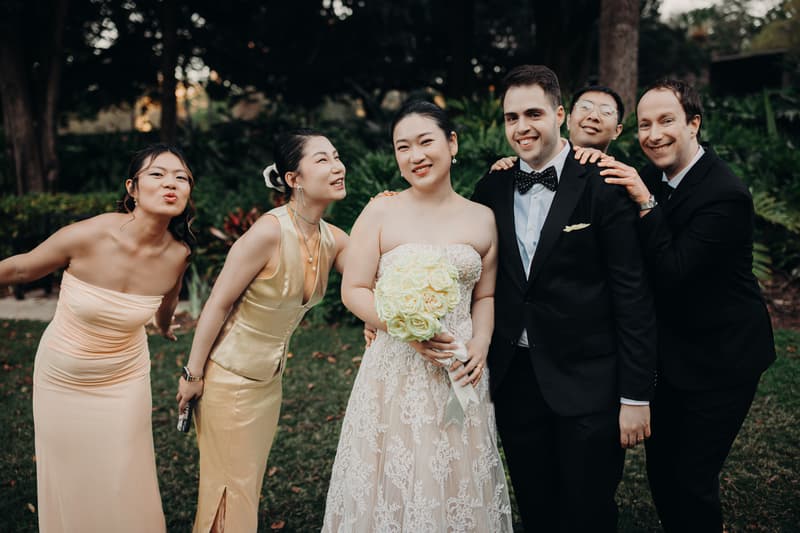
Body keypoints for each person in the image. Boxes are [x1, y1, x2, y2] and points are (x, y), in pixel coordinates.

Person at [471, 64, 657, 532]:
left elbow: (631, 295)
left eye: (533, 113)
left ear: (559, 114)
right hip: (515, 380)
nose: (522, 127)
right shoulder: (491, 187)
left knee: (589, 510)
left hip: (589, 380)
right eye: (512, 117)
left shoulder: (605, 183)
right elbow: (467, 268)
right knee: (536, 507)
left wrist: (635, 394)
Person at [322, 100, 512, 532]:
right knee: (393, 477)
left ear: (452, 143)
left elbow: (484, 296)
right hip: (395, 369)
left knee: (455, 479)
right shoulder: (381, 211)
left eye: (425, 142)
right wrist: (405, 329)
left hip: (459, 368)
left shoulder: (483, 218)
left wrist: (480, 344)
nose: (415, 156)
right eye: (402, 147)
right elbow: (353, 289)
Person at [596, 79, 776, 532]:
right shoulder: (654, 172)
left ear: (694, 124)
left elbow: (674, 270)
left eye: (666, 121)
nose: (653, 134)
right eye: (644, 124)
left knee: (691, 478)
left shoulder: (725, 195)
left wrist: (644, 200)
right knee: (662, 473)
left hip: (723, 359)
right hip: (672, 357)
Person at [0, 144, 195, 532]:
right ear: (132, 189)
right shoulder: (89, 234)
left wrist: (164, 326)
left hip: (125, 378)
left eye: (181, 177)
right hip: (62, 378)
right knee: (72, 476)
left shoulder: (178, 254)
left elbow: (167, 298)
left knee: (123, 472)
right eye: (157, 174)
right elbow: (21, 269)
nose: (171, 183)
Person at [175, 129, 349, 533]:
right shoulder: (268, 232)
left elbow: (376, 274)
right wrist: (192, 374)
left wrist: (393, 207)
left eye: (336, 156)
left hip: (268, 383)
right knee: (228, 487)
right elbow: (218, 303)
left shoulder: (332, 239)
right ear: (294, 179)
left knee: (245, 485)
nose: (337, 166)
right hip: (227, 378)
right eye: (322, 159)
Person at [490, 84, 625, 172]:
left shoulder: (624, 179)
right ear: (567, 119)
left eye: (606, 111)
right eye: (585, 107)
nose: (593, 116)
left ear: (617, 131)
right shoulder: (519, 168)